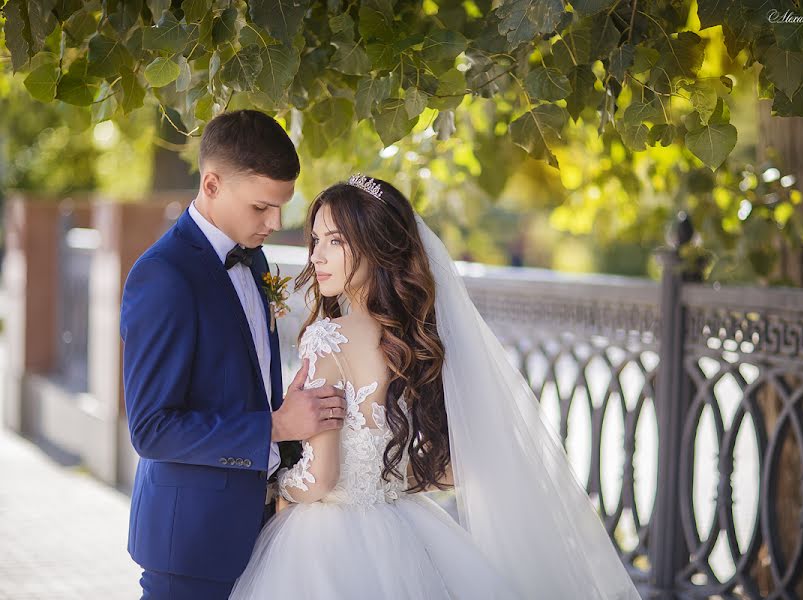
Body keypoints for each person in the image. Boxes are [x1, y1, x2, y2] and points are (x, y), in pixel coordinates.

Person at [229, 175, 642, 599]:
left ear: (377, 244)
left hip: (325, 543)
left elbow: (320, 479)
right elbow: (446, 469)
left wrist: (277, 483)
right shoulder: (419, 339)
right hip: (408, 531)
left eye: (335, 241)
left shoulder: (325, 337)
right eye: (314, 240)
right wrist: (379, 479)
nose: (316, 256)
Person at [120, 110, 348, 599]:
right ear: (212, 184)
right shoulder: (163, 276)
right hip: (191, 546)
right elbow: (151, 429)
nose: (276, 223)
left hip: (264, 532)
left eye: (281, 207)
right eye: (262, 207)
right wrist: (276, 426)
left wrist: (285, 414)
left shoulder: (256, 258)